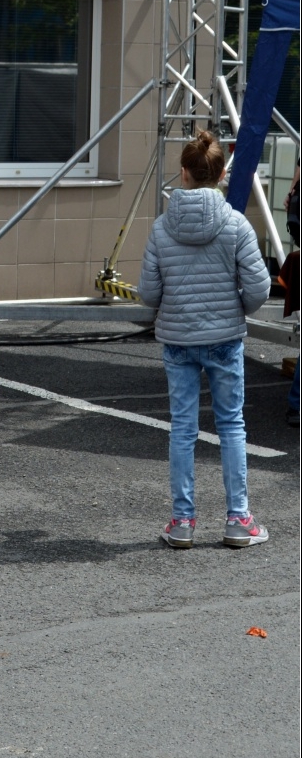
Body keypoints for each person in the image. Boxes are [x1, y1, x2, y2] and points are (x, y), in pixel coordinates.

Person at [139, 130, 272, 548]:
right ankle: (238, 520)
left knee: (183, 428)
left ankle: (182, 522)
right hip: (225, 338)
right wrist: (236, 309)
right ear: (220, 175)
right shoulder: (236, 224)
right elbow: (260, 287)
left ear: (184, 173)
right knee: (231, 424)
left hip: (178, 338)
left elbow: (148, 294)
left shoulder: (161, 228)